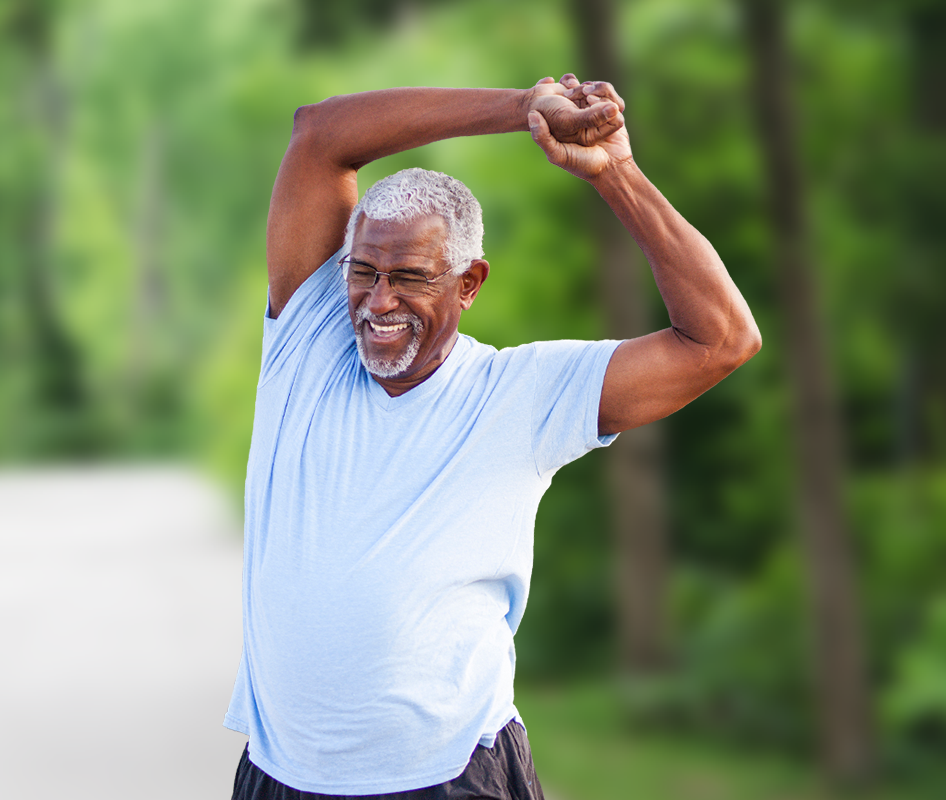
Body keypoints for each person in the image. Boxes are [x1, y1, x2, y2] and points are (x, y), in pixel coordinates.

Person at [224, 73, 761, 799]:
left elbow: (723, 339)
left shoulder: (524, 393)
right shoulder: (307, 337)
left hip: (452, 779)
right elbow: (320, 135)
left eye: (410, 277)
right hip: (282, 777)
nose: (377, 302)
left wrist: (617, 174)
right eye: (363, 272)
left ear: (468, 283)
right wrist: (522, 108)